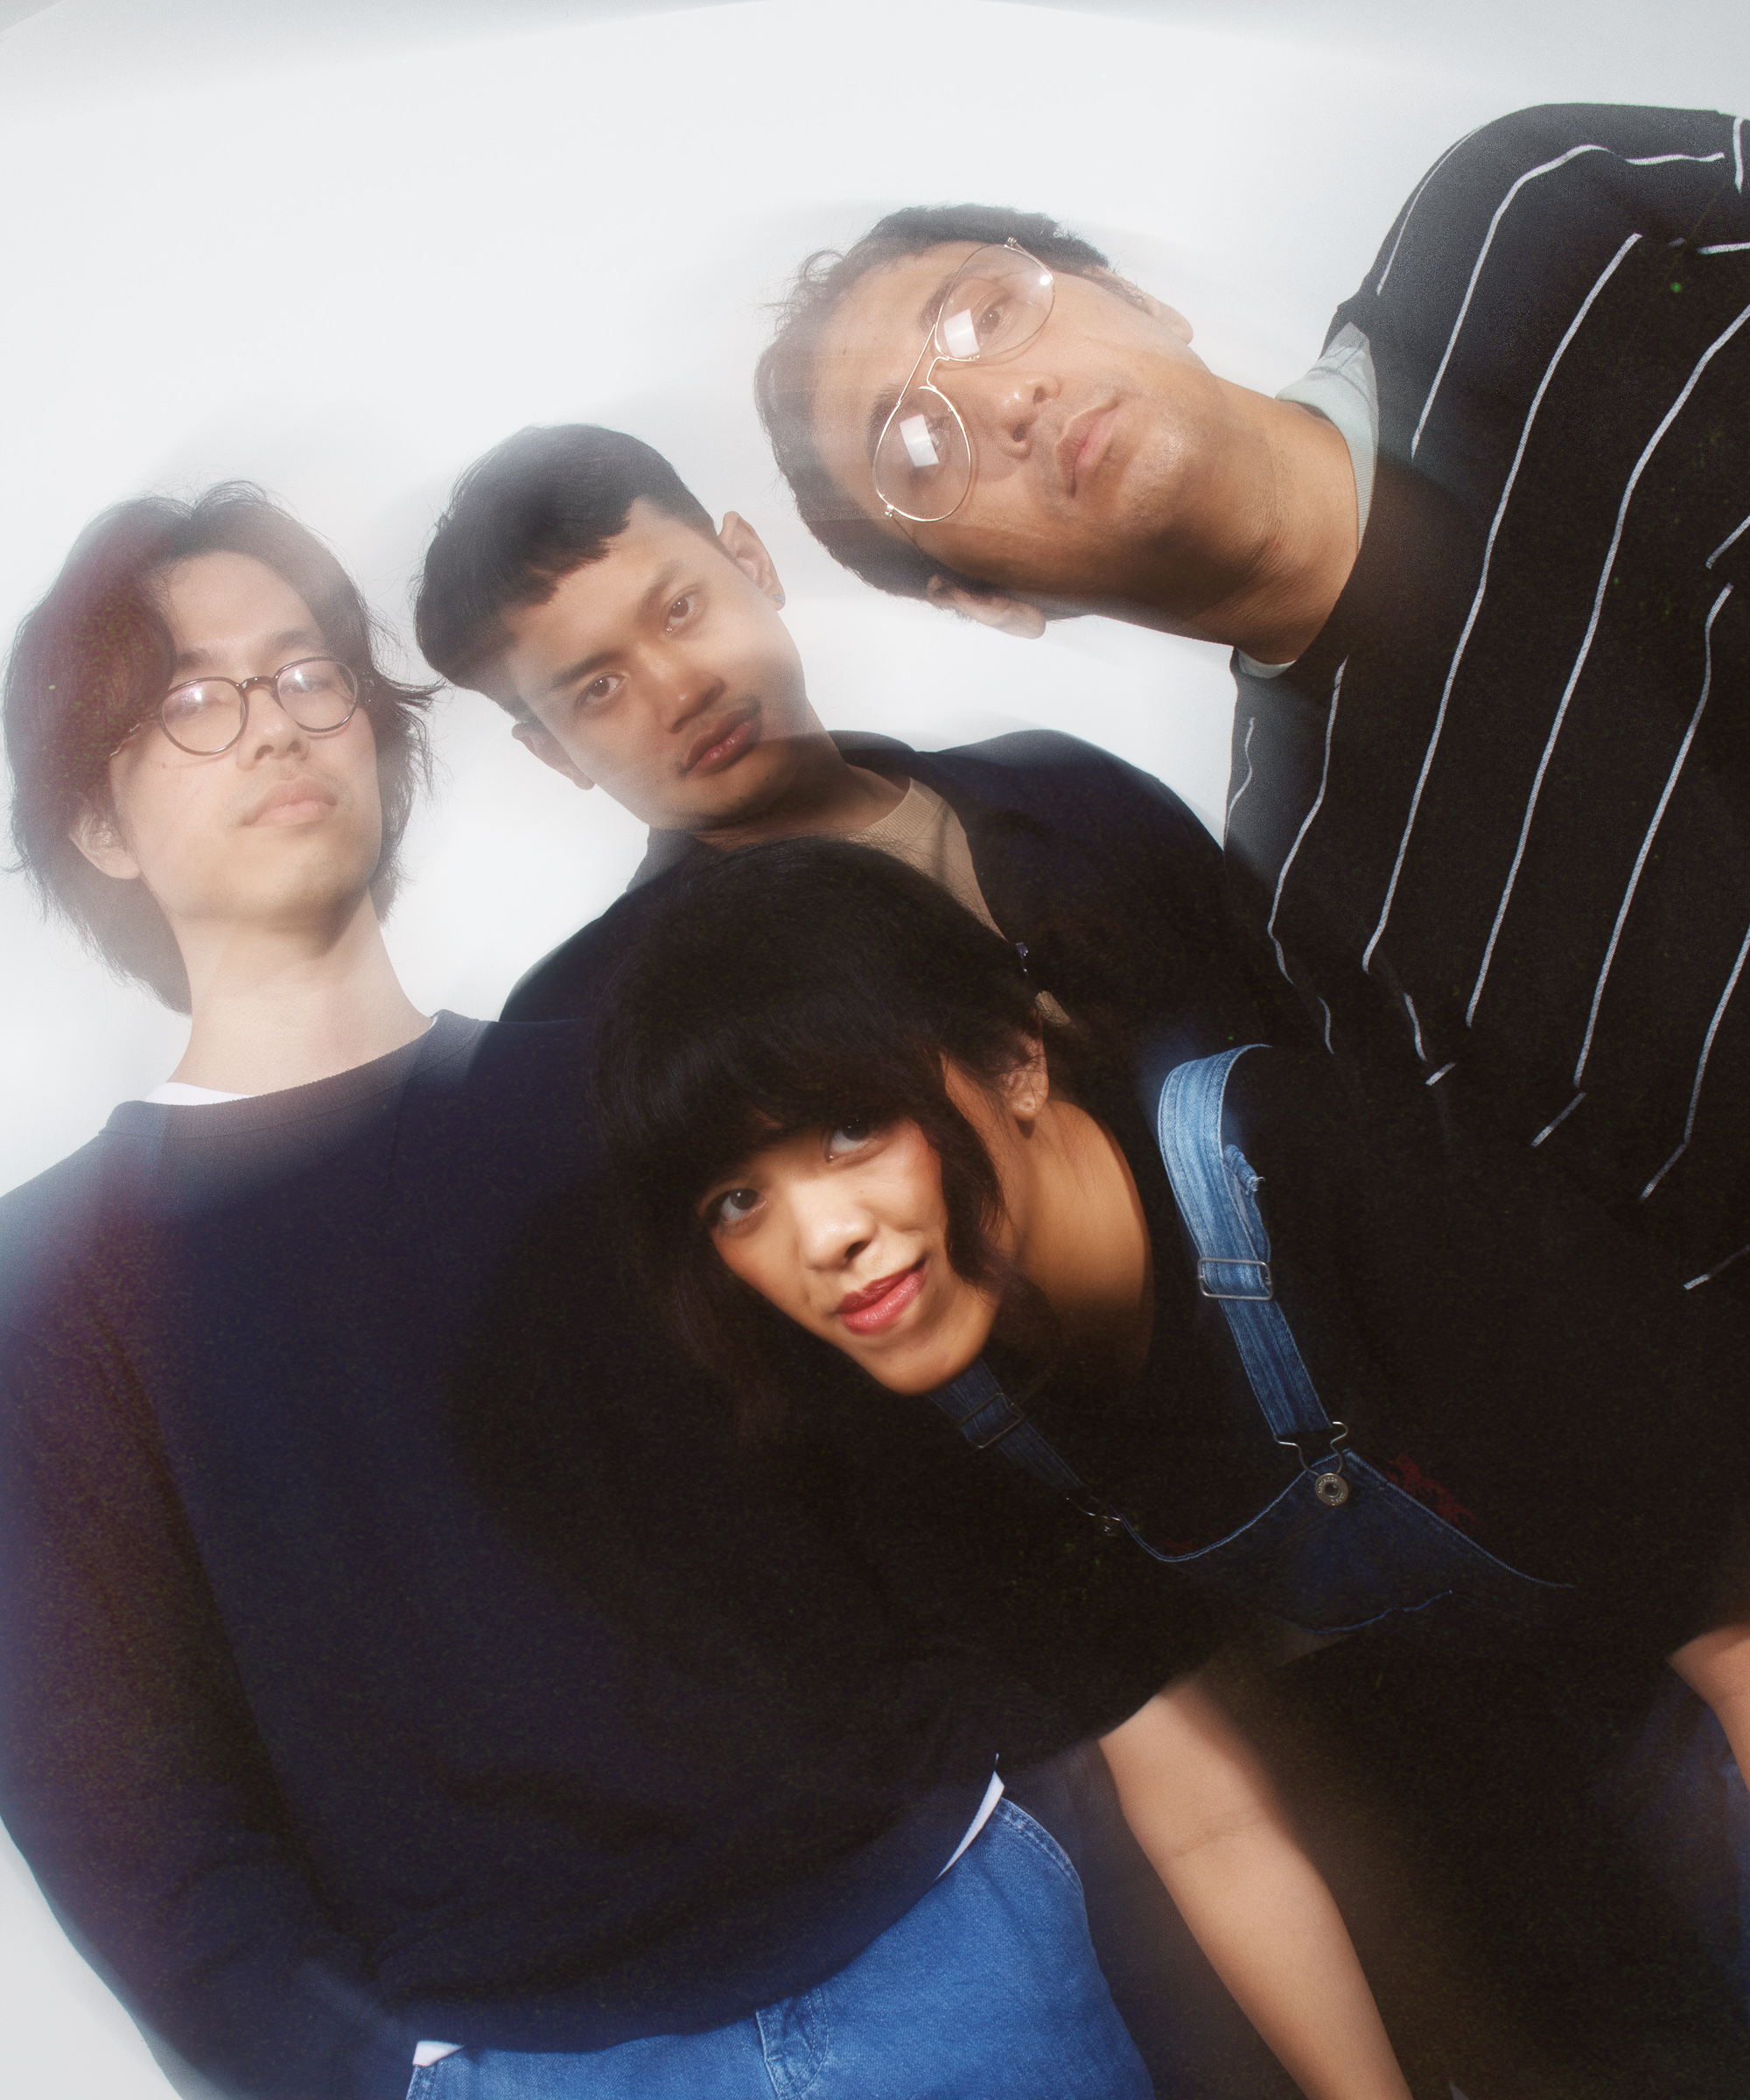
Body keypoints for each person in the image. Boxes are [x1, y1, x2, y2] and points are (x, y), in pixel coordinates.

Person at [0, 486, 1414, 2100]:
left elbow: (918, 1481)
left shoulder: (630, 1091)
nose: (275, 722)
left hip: (952, 1958)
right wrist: (391, 2074)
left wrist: (990, 1821)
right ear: (97, 823)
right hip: (526, 2069)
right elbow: (119, 1812)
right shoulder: (51, 1293)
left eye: (311, 672)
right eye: (193, 698)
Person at [596, 834, 1750, 2094]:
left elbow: (1723, 1623)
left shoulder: (1298, 1162)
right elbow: (1207, 1815)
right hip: (1482, 1750)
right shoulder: (926, 1409)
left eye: (852, 1126)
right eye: (735, 1200)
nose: (822, 1237)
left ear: (1014, 1058)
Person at [756, 102, 1750, 1303]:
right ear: (984, 600)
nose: (1005, 401)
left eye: (986, 315)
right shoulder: (1326, 920)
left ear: (1138, 297)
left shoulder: (1534, 223)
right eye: (917, 446)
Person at [413, 424, 1294, 1054]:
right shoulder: (583, 1020)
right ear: (554, 753)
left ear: (751, 564)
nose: (682, 691)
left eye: (680, 609)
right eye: (599, 689)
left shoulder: (1073, 790)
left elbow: (1311, 1039)